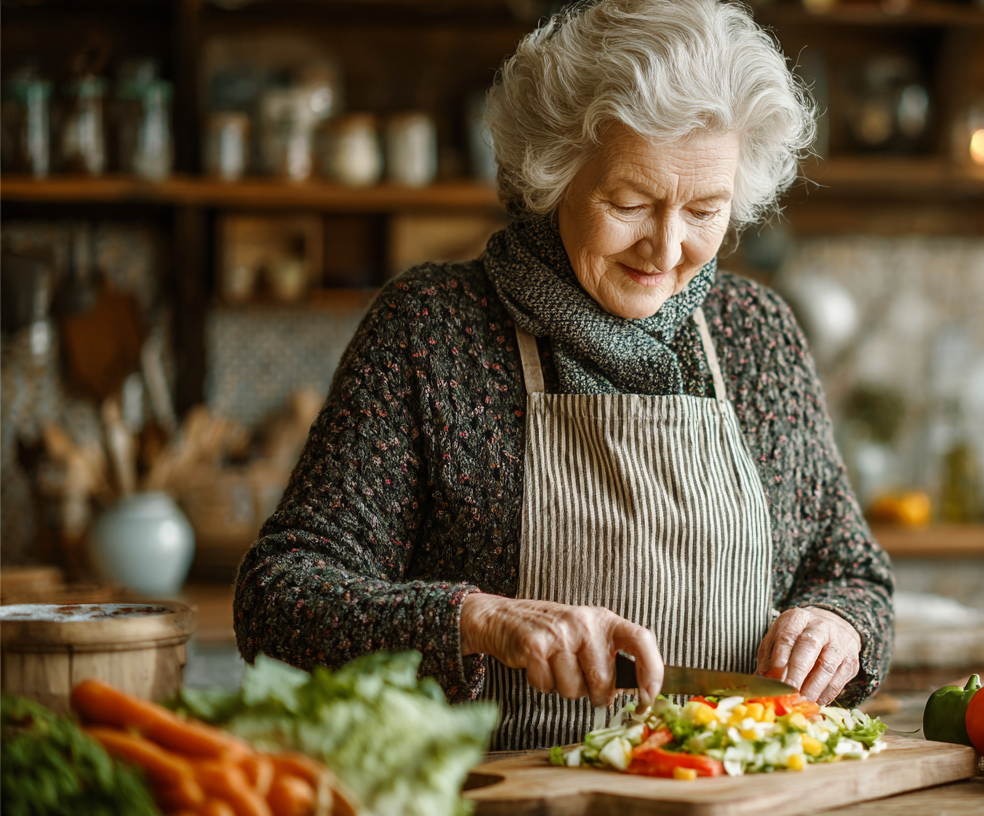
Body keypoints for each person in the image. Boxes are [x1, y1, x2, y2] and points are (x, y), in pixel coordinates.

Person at [234, 0, 893, 750]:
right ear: (555, 173)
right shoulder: (433, 329)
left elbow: (854, 575)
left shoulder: (758, 335)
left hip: (729, 793)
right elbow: (277, 599)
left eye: (705, 210)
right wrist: (477, 621)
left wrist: (840, 626)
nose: (667, 247)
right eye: (630, 202)